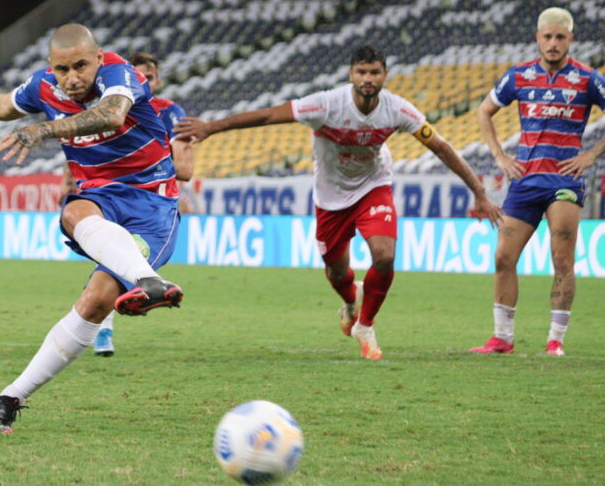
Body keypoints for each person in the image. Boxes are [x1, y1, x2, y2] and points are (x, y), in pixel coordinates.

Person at [0, 23, 184, 434]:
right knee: (73, 214)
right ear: (50, 67)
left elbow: (111, 113)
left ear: (97, 58)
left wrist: (44, 128)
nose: (72, 78)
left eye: (80, 66)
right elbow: (1, 105)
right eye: (61, 69)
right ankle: (10, 399)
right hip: (101, 196)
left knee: (96, 302)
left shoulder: (121, 74)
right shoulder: (44, 87)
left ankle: (145, 282)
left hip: (152, 204)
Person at [177, 45, 502, 360]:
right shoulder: (326, 104)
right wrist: (212, 127)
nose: (368, 78)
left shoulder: (398, 109)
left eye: (375, 72)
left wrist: (480, 192)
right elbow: (267, 117)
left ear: (385, 74)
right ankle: (350, 302)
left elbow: (441, 147)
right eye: (362, 71)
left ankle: (366, 326)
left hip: (373, 186)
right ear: (351, 74)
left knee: (385, 256)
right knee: (336, 270)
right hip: (330, 196)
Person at [470, 7, 605, 357]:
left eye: (560, 37)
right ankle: (502, 338)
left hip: (563, 180)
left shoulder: (588, 79)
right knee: (503, 256)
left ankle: (555, 340)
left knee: (561, 258)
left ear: (570, 39)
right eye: (548, 36)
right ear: (538, 38)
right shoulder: (519, 76)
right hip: (526, 180)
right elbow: (484, 111)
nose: (553, 43)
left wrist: (590, 156)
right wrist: (500, 156)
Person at [81, 51, 194, 357]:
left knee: (119, 262)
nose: (143, 82)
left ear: (155, 81)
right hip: (111, 198)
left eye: (149, 77)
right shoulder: (106, 109)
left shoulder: (172, 114)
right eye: (137, 75)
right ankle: (102, 329)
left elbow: (185, 170)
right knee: (110, 262)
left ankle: (102, 322)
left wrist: (142, 161)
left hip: (150, 205)